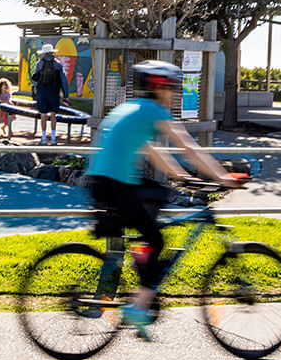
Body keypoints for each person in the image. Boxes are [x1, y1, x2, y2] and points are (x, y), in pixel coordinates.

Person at [86, 60, 243, 341]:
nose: (174, 93)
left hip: (104, 182)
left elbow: (154, 151)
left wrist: (183, 177)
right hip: (115, 185)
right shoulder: (153, 111)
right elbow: (189, 147)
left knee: (158, 194)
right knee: (157, 240)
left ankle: (142, 263)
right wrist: (222, 178)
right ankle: (139, 305)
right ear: (161, 87)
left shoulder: (134, 108)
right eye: (172, 88)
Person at [31, 43, 63, 145]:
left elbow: (35, 79)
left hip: (43, 92)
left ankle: (44, 137)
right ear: (52, 52)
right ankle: (53, 138)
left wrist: (37, 89)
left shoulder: (39, 64)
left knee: (43, 115)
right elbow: (63, 80)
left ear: (44, 53)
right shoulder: (58, 64)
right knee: (53, 115)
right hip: (54, 92)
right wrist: (65, 94)